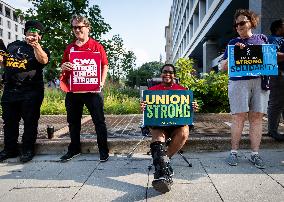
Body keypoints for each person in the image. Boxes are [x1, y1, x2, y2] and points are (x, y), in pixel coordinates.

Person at [220, 9, 269, 169]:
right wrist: (233, 55)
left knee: (256, 118)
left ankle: (255, 154)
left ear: (251, 22)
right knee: (238, 117)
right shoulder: (233, 43)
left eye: (242, 23)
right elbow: (222, 67)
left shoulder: (262, 39)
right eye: (236, 24)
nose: (239, 26)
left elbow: (270, 58)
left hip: (259, 81)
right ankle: (233, 152)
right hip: (238, 82)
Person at [141, 64, 198, 193]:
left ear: (174, 75)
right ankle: (164, 172)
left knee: (184, 132)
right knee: (158, 137)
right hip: (159, 125)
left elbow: (187, 112)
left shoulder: (182, 90)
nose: (167, 74)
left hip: (176, 126)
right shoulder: (152, 90)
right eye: (165, 71)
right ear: (161, 74)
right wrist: (144, 106)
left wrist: (192, 107)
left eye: (170, 72)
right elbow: (147, 112)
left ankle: (163, 162)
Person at [59, 15, 109, 162]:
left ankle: (103, 150)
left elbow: (104, 65)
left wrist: (101, 82)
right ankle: (74, 149)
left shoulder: (97, 46)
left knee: (99, 121)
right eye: (74, 27)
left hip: (93, 91)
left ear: (88, 28)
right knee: (73, 122)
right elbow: (63, 67)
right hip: (73, 91)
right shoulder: (70, 48)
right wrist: (63, 66)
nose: (77, 30)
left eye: (80, 27)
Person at [0, 20, 50, 163]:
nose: (33, 35)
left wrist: (35, 45)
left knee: (30, 122)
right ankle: (10, 149)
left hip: (31, 90)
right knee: (9, 122)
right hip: (10, 89)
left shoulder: (42, 49)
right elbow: (4, 62)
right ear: (25, 33)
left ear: (40, 36)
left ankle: (28, 149)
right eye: (30, 32)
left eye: (36, 34)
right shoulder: (13, 45)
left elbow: (43, 60)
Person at [267, 19, 284, 141]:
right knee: (276, 103)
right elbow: (272, 56)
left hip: (279, 74)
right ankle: (272, 131)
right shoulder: (274, 39)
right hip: (278, 74)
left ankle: (273, 130)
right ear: (278, 28)